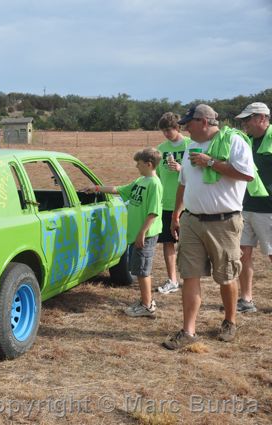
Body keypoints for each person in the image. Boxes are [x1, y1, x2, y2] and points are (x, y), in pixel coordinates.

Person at [163, 104, 255, 350]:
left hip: (224, 222)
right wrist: (176, 214)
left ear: (203, 122)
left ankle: (229, 321)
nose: (184, 127)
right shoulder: (190, 146)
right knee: (189, 274)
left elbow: (247, 175)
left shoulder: (234, 142)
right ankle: (188, 331)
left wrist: (211, 162)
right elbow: (183, 182)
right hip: (192, 220)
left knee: (226, 276)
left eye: (188, 123)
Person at [84, 147, 163, 317]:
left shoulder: (154, 185)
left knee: (143, 271)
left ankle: (147, 306)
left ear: (149, 164)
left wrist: (142, 233)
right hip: (137, 234)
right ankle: (145, 300)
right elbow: (119, 189)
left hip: (145, 235)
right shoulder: (141, 180)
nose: (137, 166)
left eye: (139, 164)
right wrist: (97, 188)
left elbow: (153, 213)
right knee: (139, 269)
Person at [235, 102, 272, 313]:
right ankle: (246, 299)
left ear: (261, 118)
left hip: (269, 209)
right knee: (243, 254)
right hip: (245, 206)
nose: (244, 123)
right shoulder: (246, 141)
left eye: (247, 119)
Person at [155, 112, 190, 294]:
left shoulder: (190, 145)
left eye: (169, 130)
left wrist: (181, 169)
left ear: (178, 127)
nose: (166, 134)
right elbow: (157, 177)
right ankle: (172, 280)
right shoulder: (160, 149)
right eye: (163, 131)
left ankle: (190, 280)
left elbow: (200, 173)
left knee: (187, 244)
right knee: (168, 243)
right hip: (166, 203)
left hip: (187, 203)